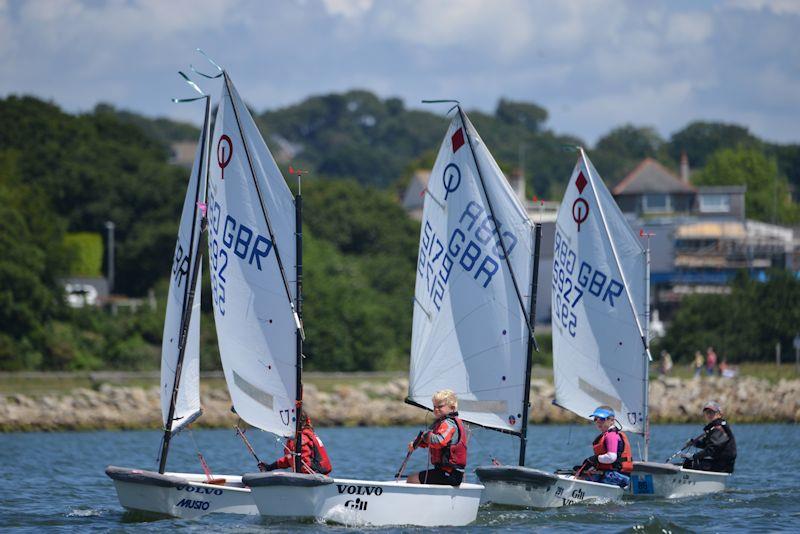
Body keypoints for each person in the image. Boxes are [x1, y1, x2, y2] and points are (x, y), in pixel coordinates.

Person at [406, 389, 467, 486]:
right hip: (444, 471)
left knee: (412, 479)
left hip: (451, 474)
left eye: (440, 406)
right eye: (434, 406)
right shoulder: (440, 423)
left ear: (452, 407)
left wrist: (424, 435)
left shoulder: (449, 424)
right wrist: (416, 443)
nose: (436, 409)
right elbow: (430, 439)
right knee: (413, 477)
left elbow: (439, 441)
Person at [258, 410, 333, 475]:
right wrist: (270, 467)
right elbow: (290, 459)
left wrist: (299, 480)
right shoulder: (302, 436)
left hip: (315, 479)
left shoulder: (301, 438)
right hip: (315, 477)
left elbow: (305, 463)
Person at [578, 406, 632, 488]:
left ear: (612, 421)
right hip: (612, 474)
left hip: (617, 477)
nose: (598, 422)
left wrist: (595, 459)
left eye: (602, 419)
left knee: (581, 479)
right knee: (582, 475)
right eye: (596, 419)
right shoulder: (607, 434)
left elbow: (611, 457)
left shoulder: (611, 435)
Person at [681, 401, 736, 473]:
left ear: (719, 414)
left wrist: (693, 456)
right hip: (718, 462)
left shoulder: (719, 428)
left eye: (712, 412)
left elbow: (711, 450)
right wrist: (694, 442)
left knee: (689, 463)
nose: (709, 415)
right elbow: (706, 444)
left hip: (723, 465)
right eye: (707, 413)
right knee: (689, 462)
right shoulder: (714, 427)